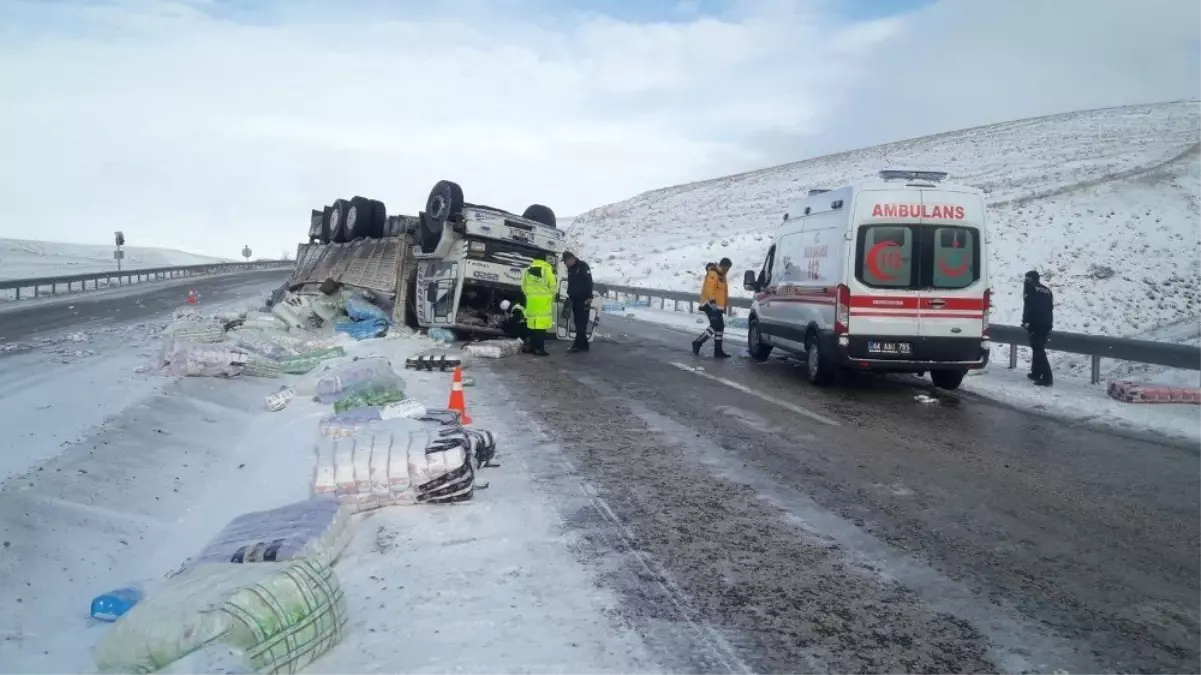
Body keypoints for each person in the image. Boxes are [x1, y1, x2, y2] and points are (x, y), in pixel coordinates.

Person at [692, 258, 732, 358]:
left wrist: (724, 306)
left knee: (720, 326)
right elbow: (709, 289)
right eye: (727, 268)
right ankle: (698, 342)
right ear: (722, 265)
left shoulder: (722, 275)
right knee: (715, 325)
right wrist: (713, 301)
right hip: (709, 304)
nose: (727, 270)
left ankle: (718, 351)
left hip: (717, 306)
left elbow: (723, 292)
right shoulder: (713, 273)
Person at [1022, 270, 1054, 387]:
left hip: (1035, 323)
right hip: (1046, 323)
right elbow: (1050, 308)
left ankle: (1047, 377)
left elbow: (1029, 306)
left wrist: (1025, 321)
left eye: (1027, 278)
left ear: (1030, 279)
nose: (1025, 281)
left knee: (1038, 349)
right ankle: (1036, 372)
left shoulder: (1030, 289)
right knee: (1037, 347)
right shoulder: (1047, 290)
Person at [520, 256, 556, 356]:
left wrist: (530, 295)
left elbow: (523, 286)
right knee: (541, 328)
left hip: (531, 302)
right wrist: (550, 298)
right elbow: (553, 287)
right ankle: (540, 349)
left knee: (532, 326)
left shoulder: (527, 271)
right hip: (543, 303)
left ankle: (531, 347)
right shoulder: (547, 270)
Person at [561, 251, 594, 353]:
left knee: (581, 323)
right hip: (574, 299)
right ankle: (584, 345)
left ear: (571, 259)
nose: (565, 264)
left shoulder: (583, 266)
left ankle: (576, 346)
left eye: (566, 262)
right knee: (578, 323)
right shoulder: (570, 268)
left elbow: (589, 282)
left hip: (583, 300)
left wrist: (589, 297)